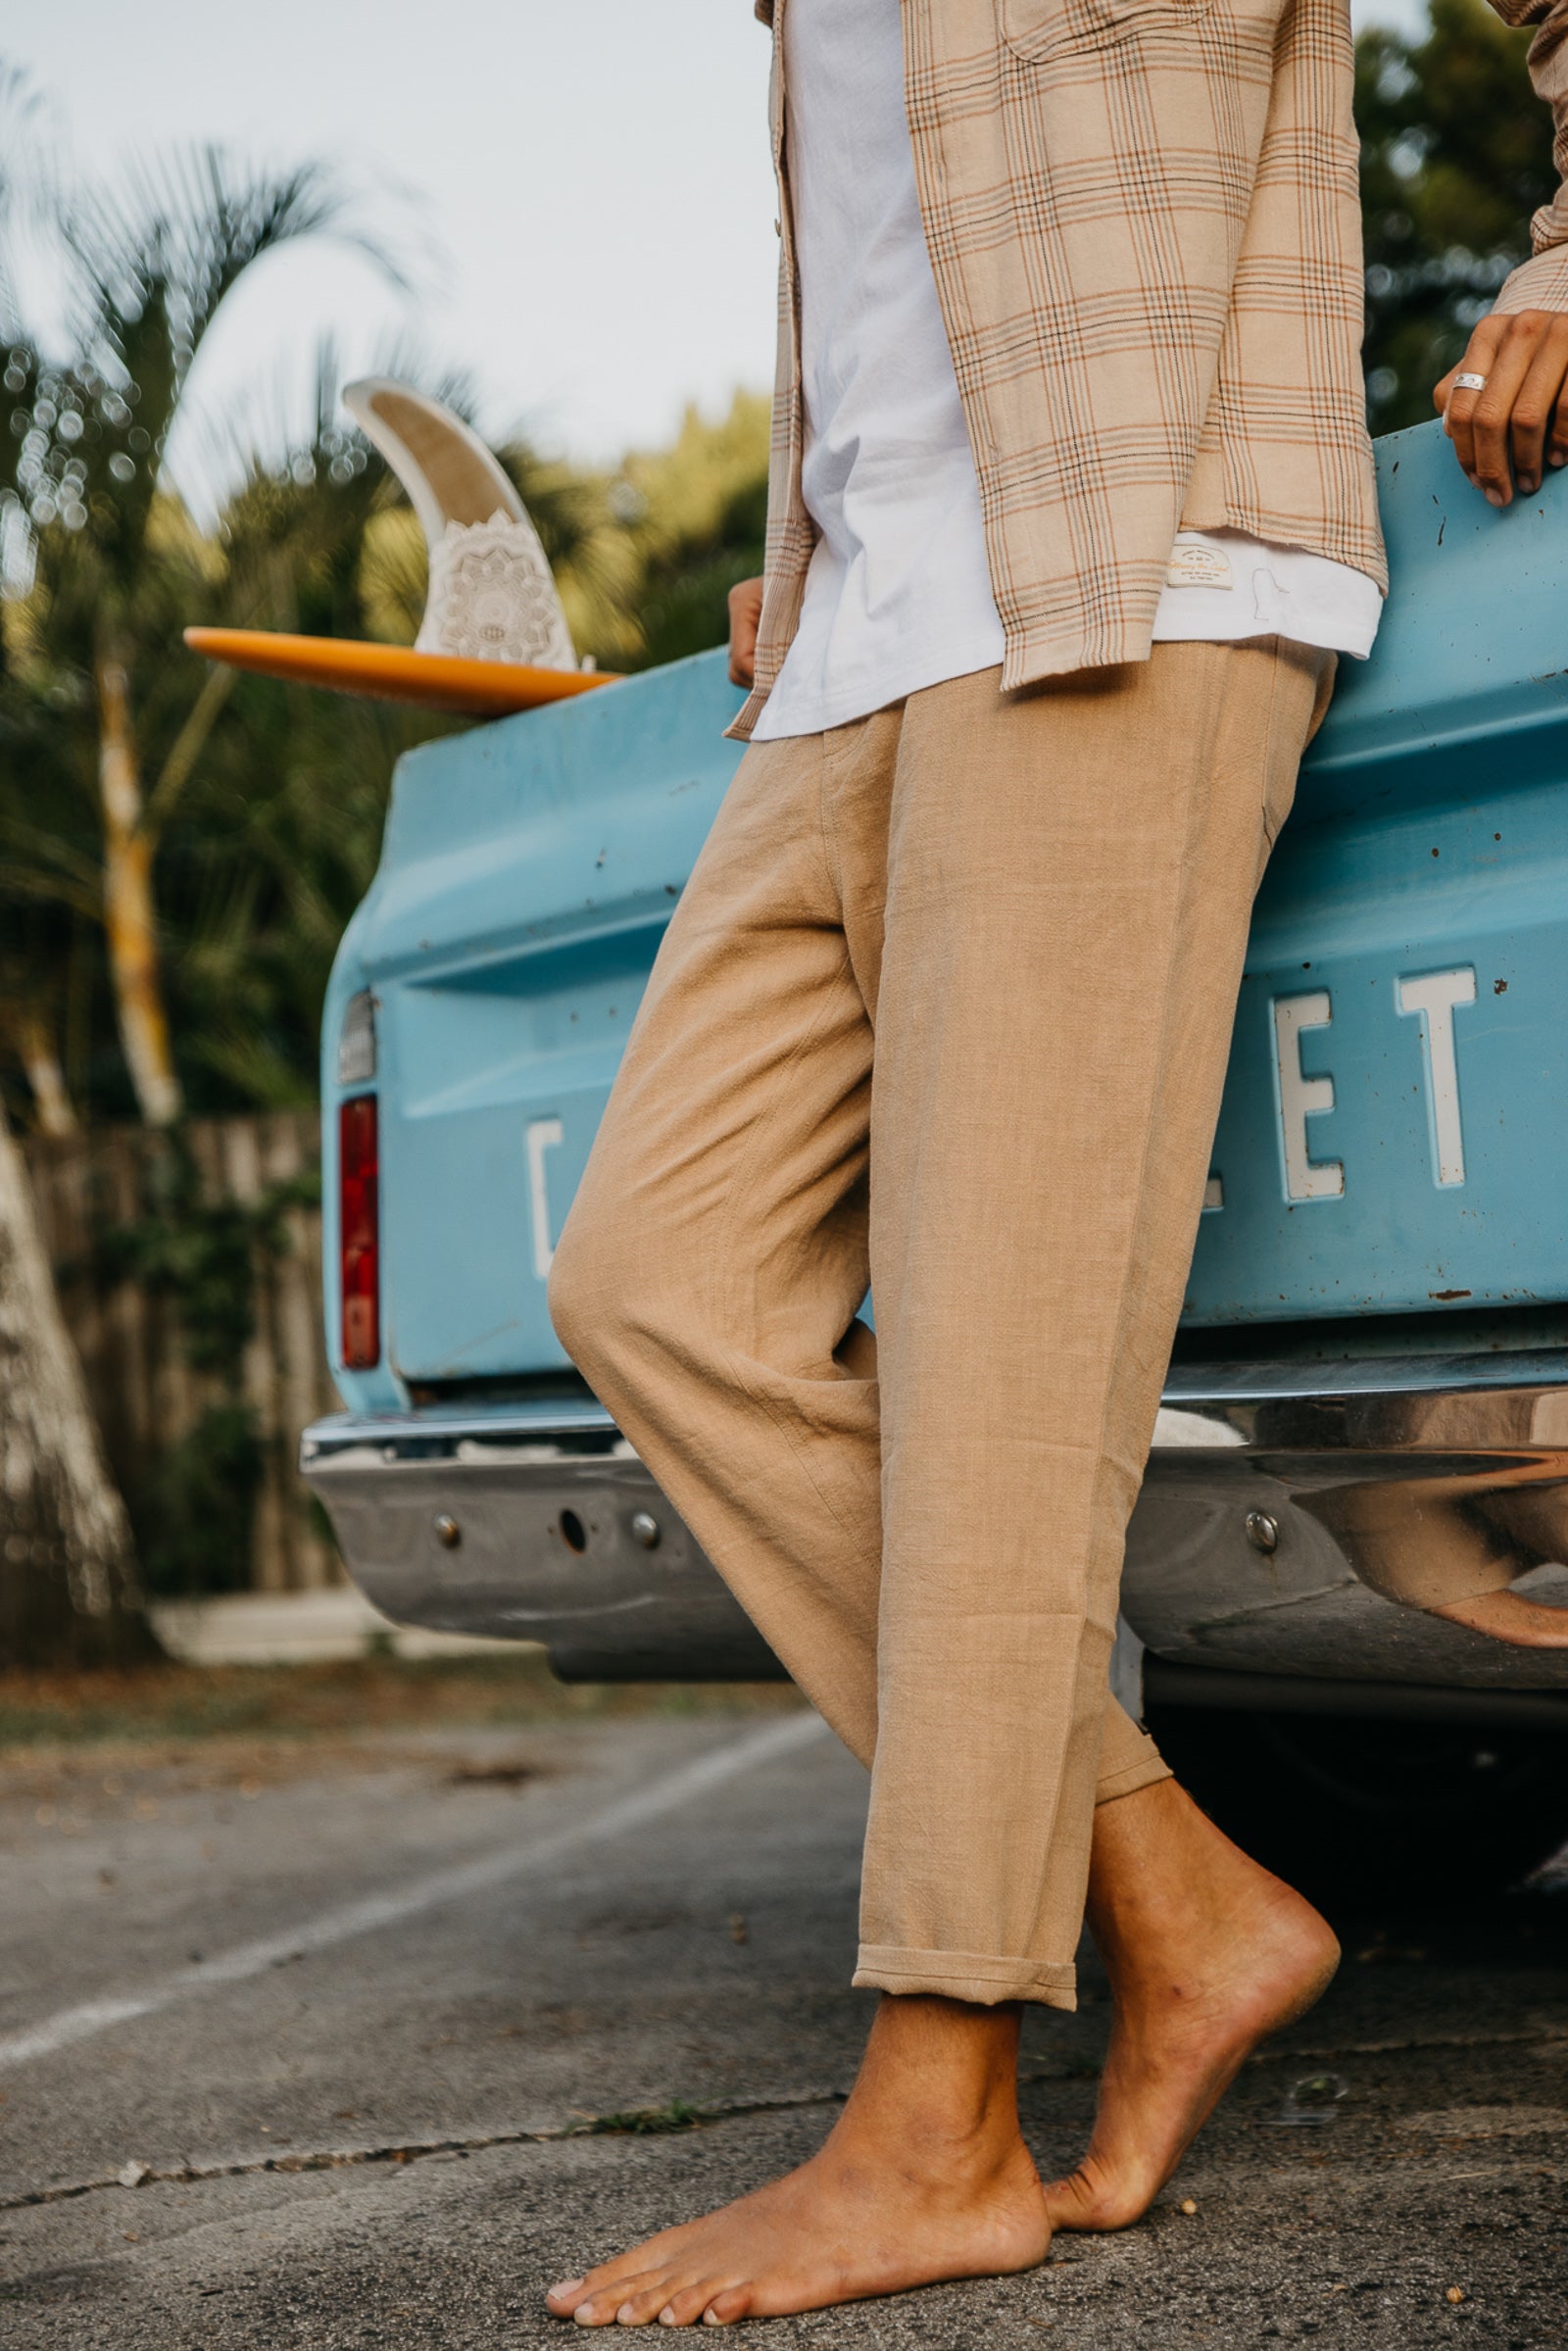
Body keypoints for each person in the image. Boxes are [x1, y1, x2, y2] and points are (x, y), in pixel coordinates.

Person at [545, 0, 1568, 2326]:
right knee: (653, 1279)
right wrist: (822, 512)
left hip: (1139, 557)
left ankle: (938, 2131)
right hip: (852, 631)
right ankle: (1173, 1890)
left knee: (1000, 1392)